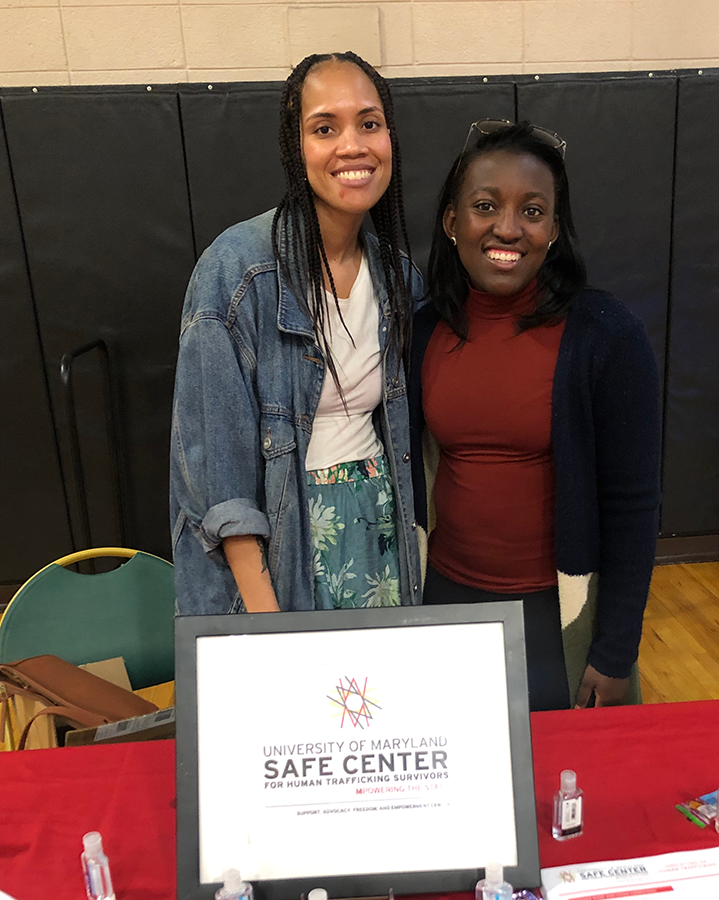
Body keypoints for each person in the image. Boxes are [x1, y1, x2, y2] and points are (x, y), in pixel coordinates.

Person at [410, 120, 661, 710]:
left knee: (557, 790)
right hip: (444, 599)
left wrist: (615, 649)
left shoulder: (605, 336)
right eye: (484, 205)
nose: (507, 228)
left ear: (553, 230)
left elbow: (632, 506)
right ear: (452, 222)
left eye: (533, 210)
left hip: (555, 616)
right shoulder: (421, 330)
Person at [171, 51, 422, 616]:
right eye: (324, 128)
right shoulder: (236, 273)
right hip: (283, 550)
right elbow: (219, 484)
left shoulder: (399, 276)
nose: (352, 145)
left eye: (369, 122)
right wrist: (269, 623)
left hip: (379, 532)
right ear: (295, 146)